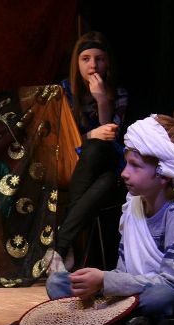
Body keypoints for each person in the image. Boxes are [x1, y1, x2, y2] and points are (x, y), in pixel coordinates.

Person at [46, 114, 174, 325]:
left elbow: (170, 284)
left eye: (135, 166)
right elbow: (124, 271)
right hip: (130, 296)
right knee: (58, 283)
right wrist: (100, 283)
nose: (124, 173)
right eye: (127, 163)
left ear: (163, 173)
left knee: (159, 297)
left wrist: (105, 281)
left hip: (168, 297)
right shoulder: (132, 206)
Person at [48, 31, 129, 272]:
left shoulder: (119, 93)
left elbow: (111, 138)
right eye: (86, 59)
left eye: (99, 59)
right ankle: (66, 246)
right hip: (76, 162)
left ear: (108, 63)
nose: (93, 65)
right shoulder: (64, 92)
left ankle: (60, 247)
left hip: (109, 158)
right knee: (105, 179)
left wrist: (102, 100)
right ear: (77, 63)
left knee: (97, 149)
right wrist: (90, 135)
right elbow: (61, 141)